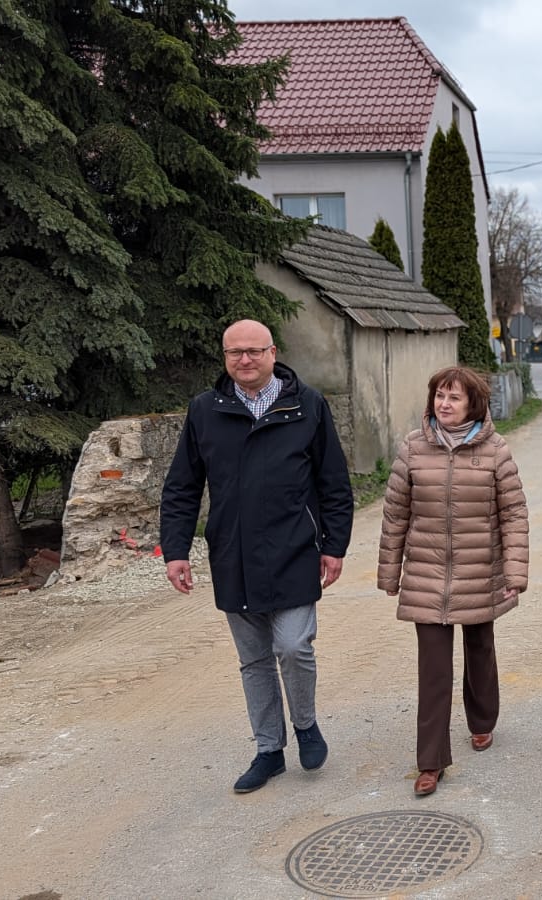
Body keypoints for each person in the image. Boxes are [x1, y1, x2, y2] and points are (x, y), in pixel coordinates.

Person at [161, 320, 354, 794]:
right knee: (254, 661)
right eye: (234, 353)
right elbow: (182, 487)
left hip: (294, 549)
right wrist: (176, 550)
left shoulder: (306, 405)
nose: (243, 361)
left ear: (272, 353)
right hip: (233, 554)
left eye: (253, 351)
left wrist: (334, 545)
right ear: (224, 358)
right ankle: (269, 750)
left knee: (292, 646)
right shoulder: (205, 411)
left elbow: (334, 483)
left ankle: (305, 725)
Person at [378, 366, 529, 797]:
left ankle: (482, 721)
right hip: (427, 574)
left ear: (473, 405)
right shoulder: (412, 447)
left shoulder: (495, 451)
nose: (444, 404)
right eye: (439, 396)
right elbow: (395, 515)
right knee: (434, 669)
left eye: (454, 398)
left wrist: (515, 573)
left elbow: (514, 515)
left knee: (480, 648)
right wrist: (390, 573)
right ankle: (431, 761)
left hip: (480, 569)